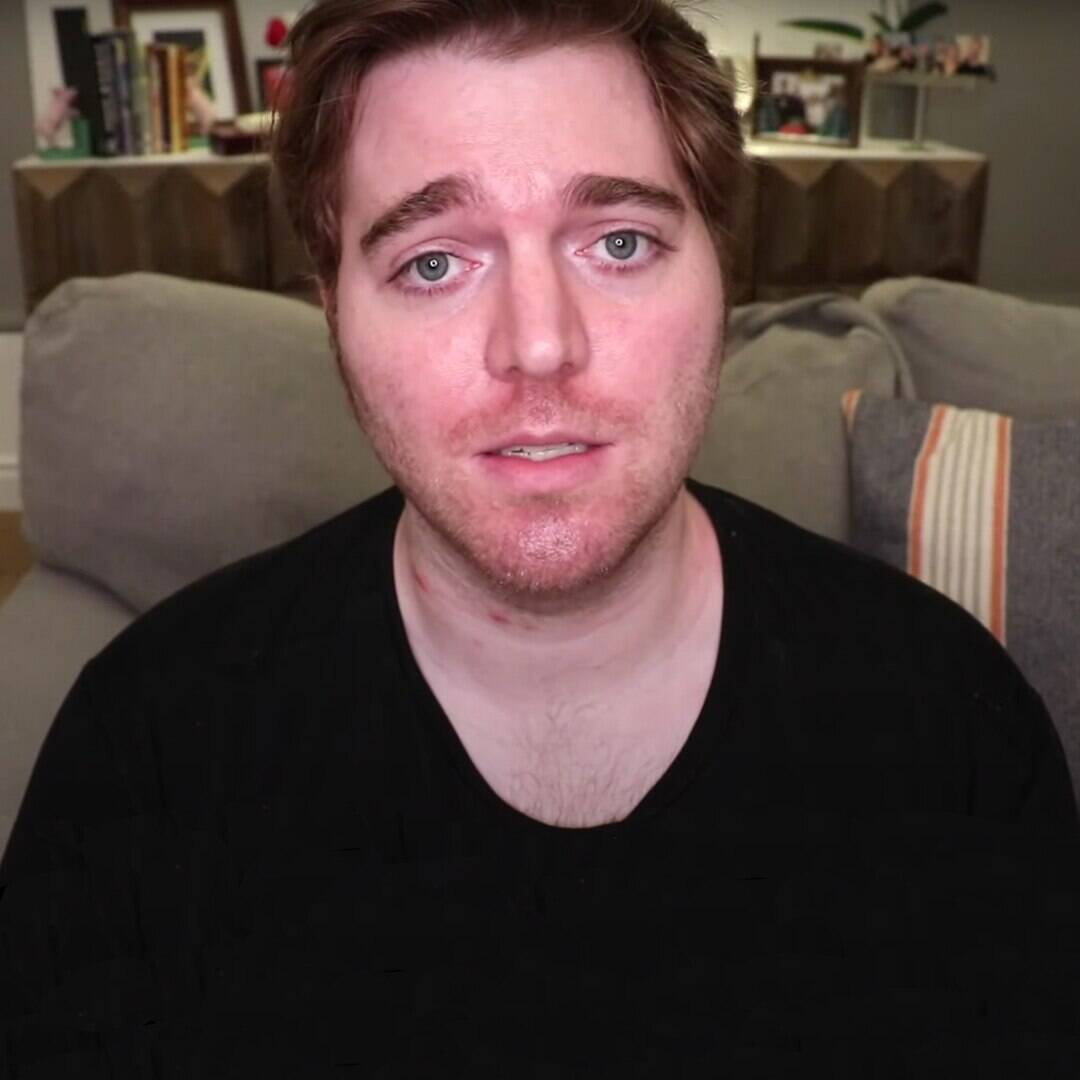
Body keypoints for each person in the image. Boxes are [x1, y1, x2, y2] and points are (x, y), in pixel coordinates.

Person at [2, 0, 1079, 1074]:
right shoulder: (145, 752)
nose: (540, 345)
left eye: (619, 242)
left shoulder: (954, 725)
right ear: (332, 312)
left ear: (721, 271)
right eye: (434, 263)